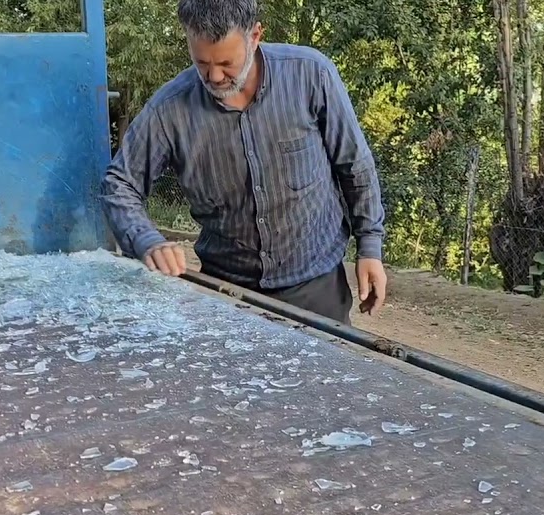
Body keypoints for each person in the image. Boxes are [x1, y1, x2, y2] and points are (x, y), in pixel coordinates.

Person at [100, 0, 388, 324]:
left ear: (255, 36)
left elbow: (354, 165)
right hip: (226, 294)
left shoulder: (311, 75)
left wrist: (370, 247)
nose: (214, 76)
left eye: (226, 62)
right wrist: (146, 240)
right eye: (201, 62)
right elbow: (119, 184)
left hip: (316, 288)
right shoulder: (169, 109)